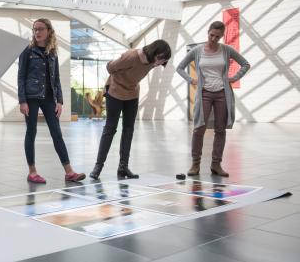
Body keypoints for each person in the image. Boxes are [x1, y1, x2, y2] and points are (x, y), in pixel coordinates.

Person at [176, 21, 250, 177]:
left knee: (220, 130)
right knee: (198, 129)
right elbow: (180, 67)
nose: (214, 39)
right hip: (204, 93)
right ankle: (195, 164)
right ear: (207, 32)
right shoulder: (197, 51)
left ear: (222, 36)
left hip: (223, 93)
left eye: (218, 36)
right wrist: (192, 80)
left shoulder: (227, 50)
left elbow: (245, 64)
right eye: (211, 35)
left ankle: (216, 164)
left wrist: (233, 78)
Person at [89, 39, 171, 180]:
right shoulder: (131, 56)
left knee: (128, 129)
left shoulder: (153, 62)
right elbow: (110, 68)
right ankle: (98, 166)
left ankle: (123, 167)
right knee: (110, 128)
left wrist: (156, 62)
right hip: (115, 91)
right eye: (159, 59)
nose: (159, 64)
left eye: (162, 61)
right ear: (153, 51)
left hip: (132, 94)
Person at [18, 18, 86, 184]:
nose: (37, 32)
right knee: (31, 132)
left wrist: (60, 101)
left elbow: (56, 79)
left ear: (49, 31)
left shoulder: (52, 52)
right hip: (31, 96)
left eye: (41, 29)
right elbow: (21, 76)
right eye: (35, 29)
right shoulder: (27, 50)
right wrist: (22, 100)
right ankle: (32, 172)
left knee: (57, 133)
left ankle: (69, 172)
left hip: (49, 97)